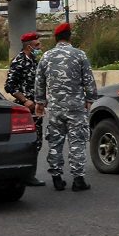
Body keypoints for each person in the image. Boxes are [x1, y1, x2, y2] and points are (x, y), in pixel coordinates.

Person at [39, 21, 98, 192]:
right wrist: (91, 98)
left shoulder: (47, 56)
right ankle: (78, 180)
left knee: (55, 142)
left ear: (56, 38)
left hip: (56, 108)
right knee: (77, 142)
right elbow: (88, 80)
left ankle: (57, 178)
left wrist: (40, 102)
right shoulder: (79, 55)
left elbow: (40, 81)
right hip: (76, 107)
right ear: (69, 37)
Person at [5, 32, 44, 118]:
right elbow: (9, 86)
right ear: (29, 47)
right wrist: (25, 100)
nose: (39, 47)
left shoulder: (34, 61)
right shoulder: (18, 62)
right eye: (37, 45)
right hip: (25, 109)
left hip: (37, 107)